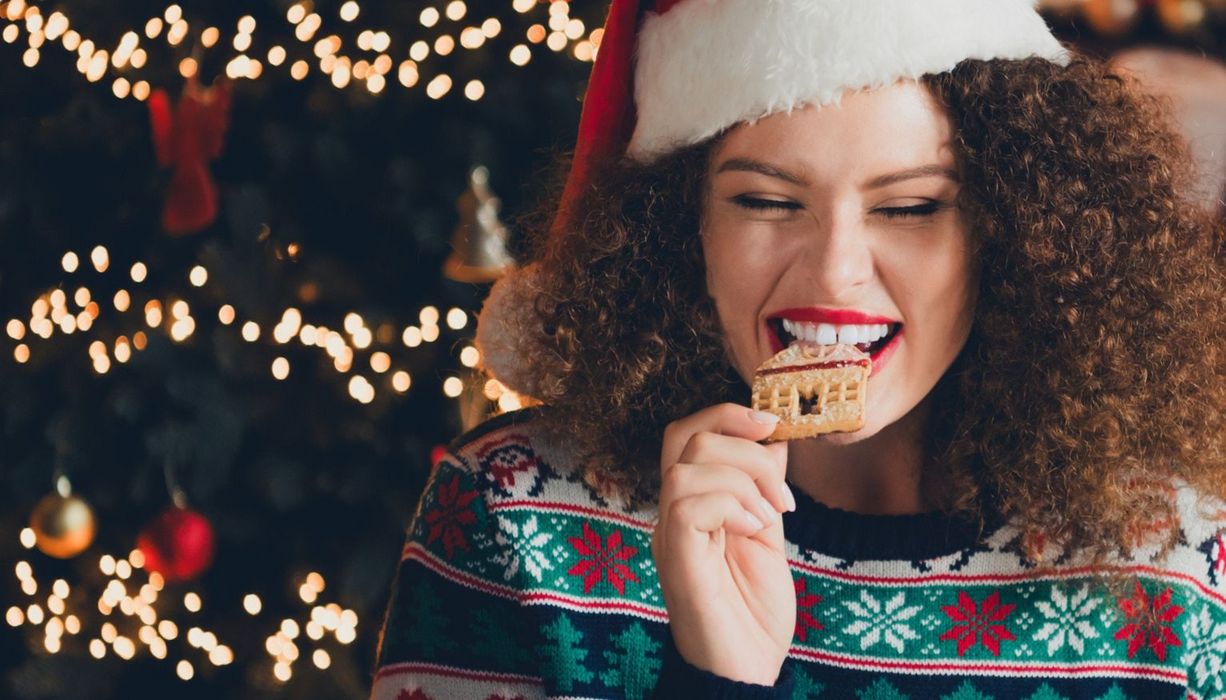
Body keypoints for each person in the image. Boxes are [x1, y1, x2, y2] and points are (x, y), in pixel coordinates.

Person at [370, 1, 1226, 698]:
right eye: (768, 202)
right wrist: (719, 678)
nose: (835, 275)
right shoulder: (513, 515)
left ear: (1010, 236)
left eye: (911, 207)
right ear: (684, 227)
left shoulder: (1181, 564)